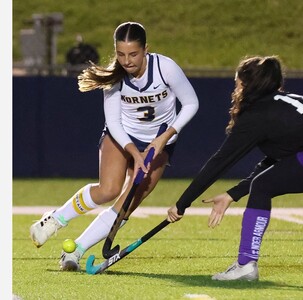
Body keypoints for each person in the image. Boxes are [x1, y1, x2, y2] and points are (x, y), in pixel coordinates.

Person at [167, 55, 303, 281]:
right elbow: (275, 161)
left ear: (245, 84)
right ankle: (245, 264)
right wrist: (233, 194)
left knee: (263, 185)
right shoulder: (285, 103)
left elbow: (220, 161)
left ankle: (245, 265)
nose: (235, 87)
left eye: (237, 82)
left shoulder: (257, 115)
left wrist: (182, 203)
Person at [29, 21, 199, 271]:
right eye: (120, 54)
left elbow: (191, 104)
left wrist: (163, 139)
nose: (127, 61)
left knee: (126, 205)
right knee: (108, 189)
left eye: (133, 54)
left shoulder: (166, 68)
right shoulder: (114, 77)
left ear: (145, 50)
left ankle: (76, 251)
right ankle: (55, 220)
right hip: (122, 137)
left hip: (161, 140)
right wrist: (134, 152)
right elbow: (114, 122)